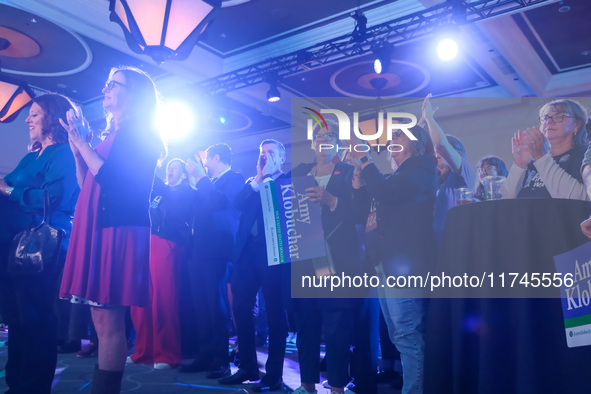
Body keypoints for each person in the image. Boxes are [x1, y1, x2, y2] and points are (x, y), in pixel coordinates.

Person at [59, 66, 166, 393]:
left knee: (108, 322)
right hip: (99, 226)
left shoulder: (141, 134)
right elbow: (88, 183)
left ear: (134, 95)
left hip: (117, 229)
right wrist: (79, 152)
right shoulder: (113, 136)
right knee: (101, 322)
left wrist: (82, 143)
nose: (105, 89)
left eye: (113, 84)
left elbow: (114, 182)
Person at [349, 126, 438, 394]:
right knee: (398, 335)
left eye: (398, 136)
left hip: (406, 263)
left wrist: (365, 160)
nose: (391, 141)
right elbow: (359, 213)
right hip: (384, 262)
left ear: (415, 142)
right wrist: (357, 180)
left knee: (408, 335)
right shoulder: (391, 176)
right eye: (391, 138)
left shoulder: (422, 167)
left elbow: (389, 193)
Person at [0, 93, 79, 394]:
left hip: (38, 244)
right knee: (16, 318)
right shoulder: (31, 156)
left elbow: (52, 199)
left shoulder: (62, 153)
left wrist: (8, 191)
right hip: (10, 244)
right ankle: (17, 383)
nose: (28, 119)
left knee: (35, 318)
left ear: (52, 117)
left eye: (34, 113)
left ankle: (33, 387)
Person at [290, 126, 367, 394]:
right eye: (318, 137)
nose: (322, 141)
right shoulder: (298, 173)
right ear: (312, 145)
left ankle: (336, 387)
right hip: (304, 259)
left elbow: (360, 212)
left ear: (337, 145)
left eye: (328, 137)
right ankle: (306, 385)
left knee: (336, 327)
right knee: (306, 326)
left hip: (335, 259)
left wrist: (331, 199)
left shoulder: (348, 173)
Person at [220, 139, 289, 392]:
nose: (264, 157)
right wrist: (259, 178)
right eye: (262, 154)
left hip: (274, 253)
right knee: (240, 307)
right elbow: (237, 204)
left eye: (270, 153)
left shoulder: (288, 181)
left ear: (282, 158)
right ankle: (248, 366)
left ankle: (274, 375)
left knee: (274, 313)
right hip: (247, 253)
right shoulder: (253, 182)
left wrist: (270, 179)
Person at [179, 143, 245, 378]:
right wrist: (193, 181)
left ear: (217, 158)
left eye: (207, 159)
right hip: (197, 251)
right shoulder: (206, 184)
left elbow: (221, 203)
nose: (204, 163)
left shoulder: (235, 179)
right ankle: (205, 353)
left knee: (216, 305)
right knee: (201, 305)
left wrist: (200, 178)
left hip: (217, 252)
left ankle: (221, 359)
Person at [128, 158, 193, 369]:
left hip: (167, 243)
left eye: (176, 168)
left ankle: (167, 354)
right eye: (169, 168)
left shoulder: (185, 192)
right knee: (140, 300)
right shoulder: (156, 193)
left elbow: (178, 215)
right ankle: (144, 351)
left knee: (164, 299)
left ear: (184, 174)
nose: (171, 171)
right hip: (146, 242)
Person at [502, 99, 589, 200]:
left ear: (577, 125)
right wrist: (520, 164)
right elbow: (505, 202)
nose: (548, 121)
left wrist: (541, 158)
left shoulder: (585, 157)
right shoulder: (532, 161)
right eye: (545, 118)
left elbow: (581, 199)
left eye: (558, 116)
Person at [421, 94, 475, 239]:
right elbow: (412, 152)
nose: (435, 152)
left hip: (456, 244)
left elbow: (440, 143)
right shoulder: (433, 180)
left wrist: (429, 119)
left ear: (457, 153)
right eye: (433, 150)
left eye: (440, 151)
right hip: (433, 248)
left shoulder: (462, 175)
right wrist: (421, 122)